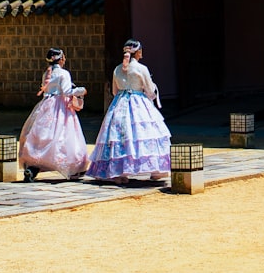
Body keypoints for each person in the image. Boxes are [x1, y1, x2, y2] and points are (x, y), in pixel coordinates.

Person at [86, 39, 171, 184]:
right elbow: (150, 90)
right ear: (138, 52)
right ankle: (156, 170)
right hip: (138, 102)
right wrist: (151, 94)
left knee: (117, 136)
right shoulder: (141, 68)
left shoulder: (117, 69)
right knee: (144, 134)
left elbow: (114, 91)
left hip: (119, 102)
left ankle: (117, 172)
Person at [18, 48, 90, 181]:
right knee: (64, 135)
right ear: (61, 59)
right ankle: (73, 168)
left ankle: (34, 167)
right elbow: (67, 91)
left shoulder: (47, 73)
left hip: (46, 104)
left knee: (42, 134)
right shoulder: (64, 73)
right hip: (60, 107)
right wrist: (81, 90)